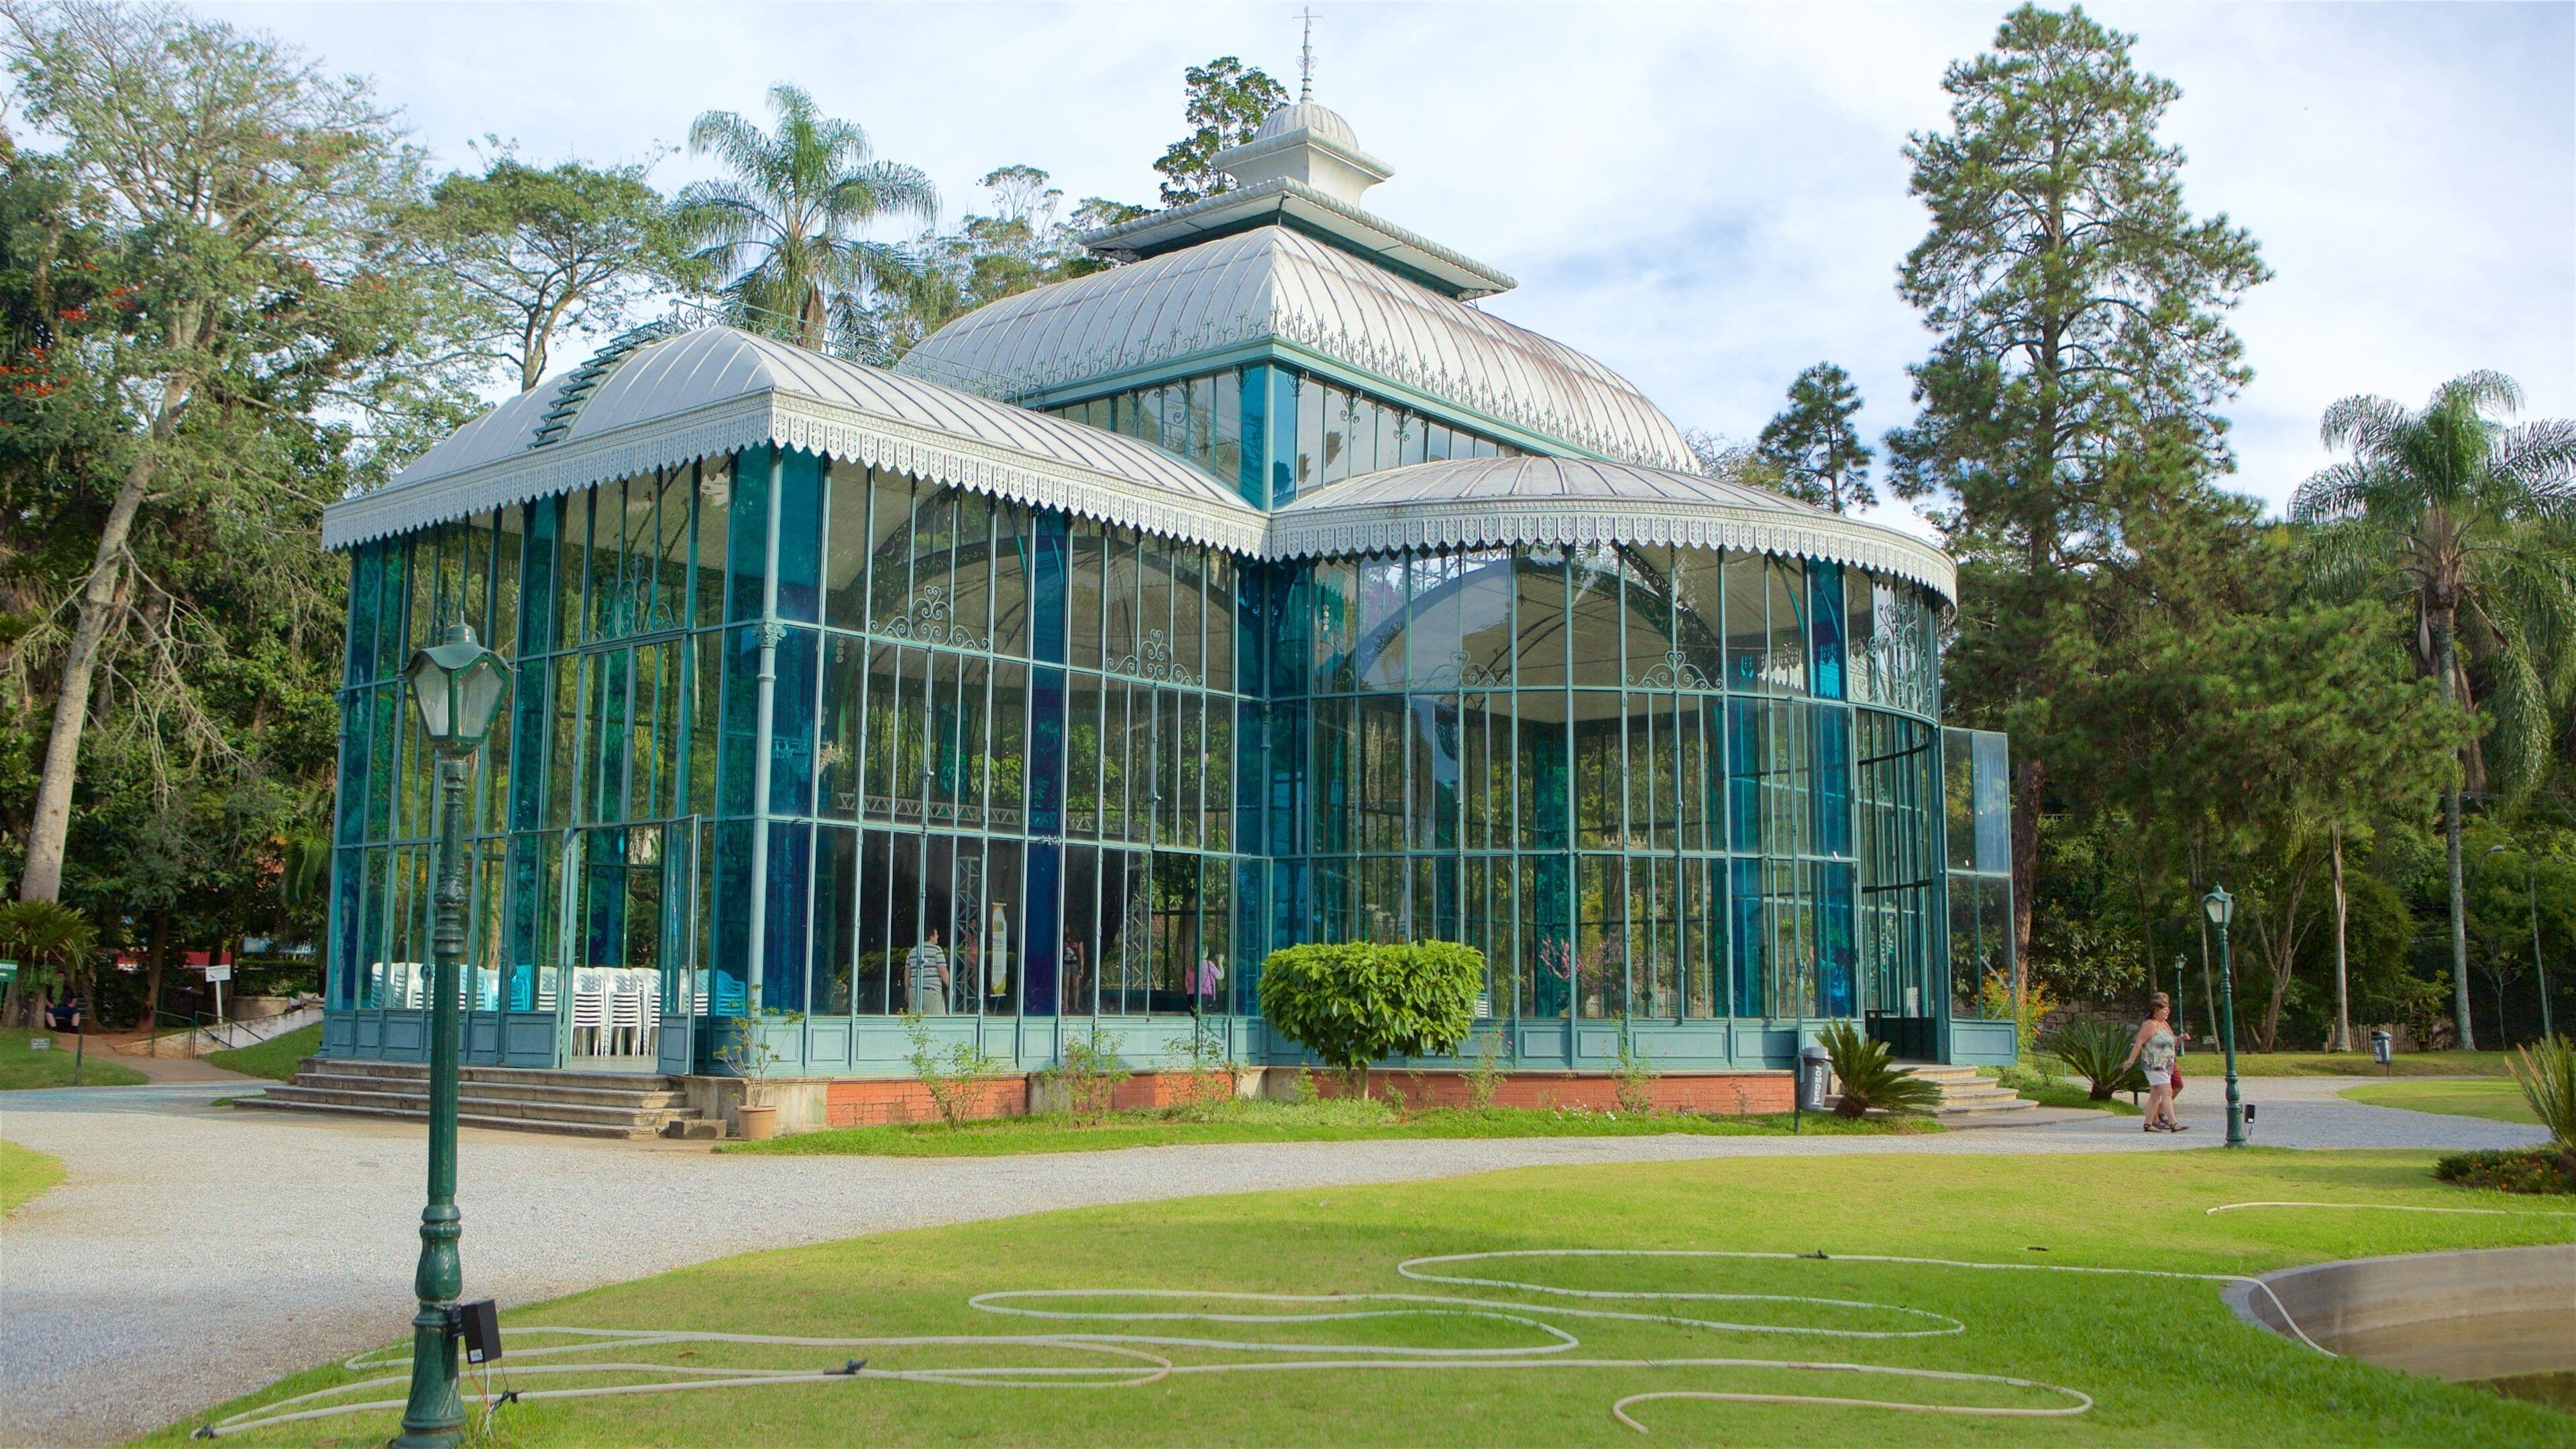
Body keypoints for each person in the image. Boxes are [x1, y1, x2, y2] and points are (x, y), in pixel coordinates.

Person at [2123, 992, 2188, 1132]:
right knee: (2167, 1091)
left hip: (2165, 1065)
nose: (2168, 1012)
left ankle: (2148, 1124)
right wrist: (2130, 1061)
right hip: (2155, 1065)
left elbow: (2171, 1041)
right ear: (2157, 1010)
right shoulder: (2150, 1025)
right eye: (2165, 1010)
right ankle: (2173, 1123)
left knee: (2155, 1094)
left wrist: (2181, 1038)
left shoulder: (2163, 1024)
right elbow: (2139, 1043)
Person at [907, 928, 950, 1016]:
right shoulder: (937, 950)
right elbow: (942, 970)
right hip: (931, 991)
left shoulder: (913, 951)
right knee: (934, 1023)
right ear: (931, 937)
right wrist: (951, 986)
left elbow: (907, 972)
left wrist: (907, 989)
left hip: (914, 991)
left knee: (914, 1023)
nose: (938, 937)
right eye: (936, 934)